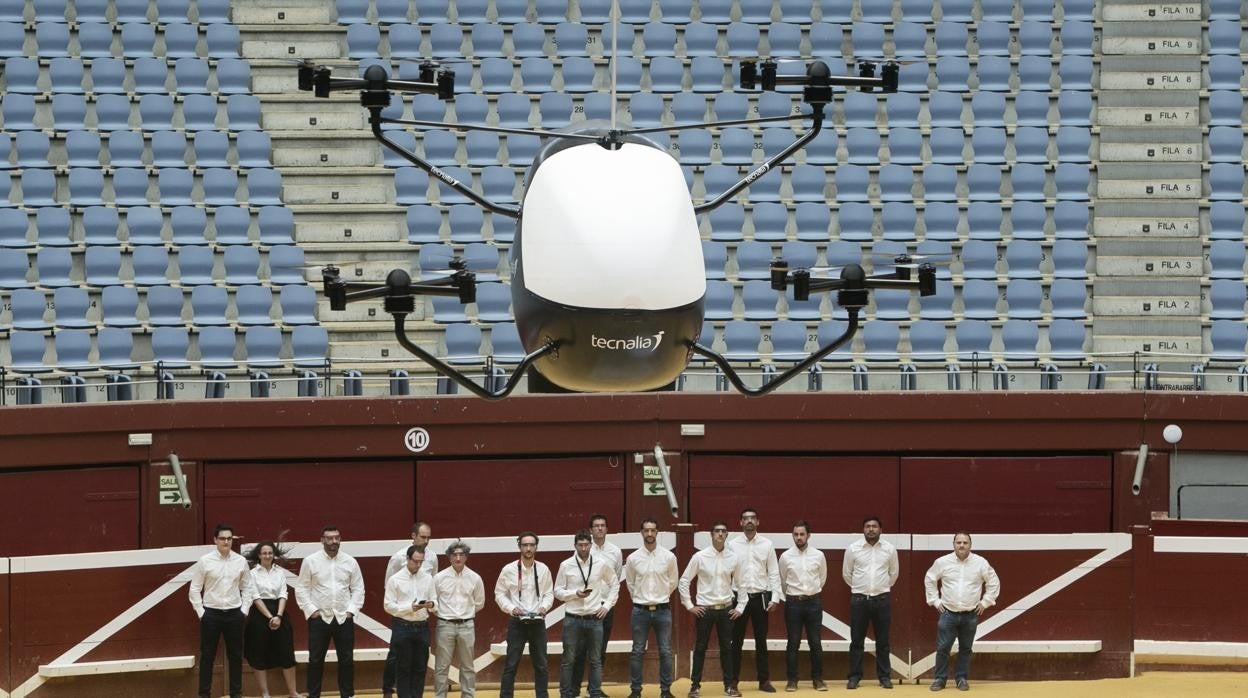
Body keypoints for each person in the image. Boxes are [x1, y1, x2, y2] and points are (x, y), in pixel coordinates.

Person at [924, 533, 1000, 692]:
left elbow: (993, 582)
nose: (962, 545)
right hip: (948, 613)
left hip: (970, 613)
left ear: (970, 545)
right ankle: (940, 679)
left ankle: (961, 678)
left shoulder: (980, 563)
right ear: (953, 544)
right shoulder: (942, 562)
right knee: (943, 647)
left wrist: (985, 602)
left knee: (966, 648)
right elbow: (930, 578)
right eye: (958, 542)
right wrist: (935, 601)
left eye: (965, 542)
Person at [295, 525, 365, 698]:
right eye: (329, 538)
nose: (334, 541)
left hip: (343, 617)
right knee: (315, 660)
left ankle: (347, 695)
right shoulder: (310, 561)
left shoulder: (350, 561)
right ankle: (314, 695)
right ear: (322, 540)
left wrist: (351, 611)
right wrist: (312, 611)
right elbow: (301, 588)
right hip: (319, 618)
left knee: (347, 660)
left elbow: (358, 588)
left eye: (337, 538)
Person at [189, 523, 256, 698]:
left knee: (235, 656)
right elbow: (194, 589)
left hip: (234, 614)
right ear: (215, 540)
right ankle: (204, 694)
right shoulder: (205, 561)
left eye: (229, 538)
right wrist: (202, 614)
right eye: (222, 538)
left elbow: (248, 587)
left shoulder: (240, 561)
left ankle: (236, 694)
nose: (226, 542)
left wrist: (244, 611)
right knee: (207, 656)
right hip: (211, 613)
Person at [678, 522, 743, 698]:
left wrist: (740, 606)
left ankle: (729, 686)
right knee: (700, 648)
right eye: (717, 531)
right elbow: (684, 581)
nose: (720, 534)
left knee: (727, 649)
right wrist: (689, 605)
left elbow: (741, 583)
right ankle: (695, 687)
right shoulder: (700, 557)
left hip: (726, 609)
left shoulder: (733, 557)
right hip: (705, 610)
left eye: (723, 531)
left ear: (727, 535)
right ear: (711, 534)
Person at [556, 529, 619, 698]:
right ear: (575, 546)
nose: (583, 548)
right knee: (568, 659)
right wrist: (574, 594)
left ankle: (595, 693)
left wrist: (606, 606)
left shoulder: (600, 563)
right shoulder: (566, 565)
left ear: (591, 545)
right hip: (572, 618)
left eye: (586, 545)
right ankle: (566, 694)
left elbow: (615, 584)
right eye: (580, 545)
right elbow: (558, 591)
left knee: (596, 660)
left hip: (594, 618)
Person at [728, 507, 782, 694]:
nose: (749, 521)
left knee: (761, 641)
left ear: (758, 522)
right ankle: (733, 681)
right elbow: (727, 573)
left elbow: (773, 572)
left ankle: (764, 681)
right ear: (740, 523)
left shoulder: (767, 544)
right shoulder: (732, 545)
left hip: (760, 597)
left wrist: (775, 597)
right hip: (738, 598)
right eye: (745, 518)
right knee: (736, 641)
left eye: (752, 518)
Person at [842, 516, 899, 690]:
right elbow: (847, 573)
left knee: (883, 641)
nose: (871, 529)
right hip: (859, 600)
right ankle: (854, 677)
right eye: (868, 526)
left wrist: (880, 589)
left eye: (874, 526)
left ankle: (884, 677)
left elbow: (893, 574)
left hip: (882, 600)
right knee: (856, 641)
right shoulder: (853, 549)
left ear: (881, 530)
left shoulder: (889, 550)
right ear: (863, 529)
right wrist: (861, 589)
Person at [624, 517, 679, 698]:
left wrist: (660, 597)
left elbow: (673, 582)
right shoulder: (633, 558)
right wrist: (642, 600)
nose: (649, 534)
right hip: (640, 610)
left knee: (665, 651)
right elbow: (631, 584)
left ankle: (665, 691)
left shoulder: (669, 557)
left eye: (653, 530)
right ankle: (636, 692)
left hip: (663, 610)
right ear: (641, 533)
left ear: (657, 532)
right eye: (646, 530)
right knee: (637, 651)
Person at [496, 531, 555, 698]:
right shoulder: (508, 569)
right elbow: (499, 593)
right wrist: (511, 608)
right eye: (525, 545)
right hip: (517, 622)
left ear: (536, 547)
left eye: (531, 545)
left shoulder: (543, 569)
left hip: (538, 622)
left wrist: (544, 607)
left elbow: (549, 593)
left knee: (542, 665)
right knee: (511, 664)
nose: (528, 548)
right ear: (519, 547)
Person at [571, 513, 624, 693]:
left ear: (607, 529)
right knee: (579, 651)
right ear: (591, 530)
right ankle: (575, 689)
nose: (600, 528)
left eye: (603, 525)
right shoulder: (584, 549)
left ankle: (594, 690)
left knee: (600, 651)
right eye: (596, 526)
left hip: (604, 607)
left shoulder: (615, 551)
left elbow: (615, 579)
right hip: (585, 607)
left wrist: (608, 604)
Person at [385, 522, 437, 698]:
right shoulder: (397, 561)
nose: (426, 540)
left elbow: (433, 591)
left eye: (429, 537)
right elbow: (389, 595)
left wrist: (431, 605)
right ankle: (388, 690)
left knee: (420, 667)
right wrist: (409, 607)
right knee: (401, 665)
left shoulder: (430, 565)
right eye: (423, 536)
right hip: (402, 623)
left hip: (422, 625)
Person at [244, 540, 299, 698]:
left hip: (280, 614)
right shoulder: (252, 574)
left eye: (270, 553)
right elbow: (255, 597)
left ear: (273, 555)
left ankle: (293, 692)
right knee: (259, 653)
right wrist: (270, 617)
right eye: (264, 553)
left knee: (287, 653)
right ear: (259, 555)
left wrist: (279, 616)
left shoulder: (280, 572)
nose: (267, 556)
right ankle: (265, 693)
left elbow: (283, 594)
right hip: (260, 615)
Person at [778, 521, 827, 692]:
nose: (799, 537)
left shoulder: (819, 555)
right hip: (793, 603)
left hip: (813, 602)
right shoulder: (785, 557)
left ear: (808, 535)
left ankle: (818, 680)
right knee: (793, 643)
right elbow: (783, 582)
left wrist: (811, 593)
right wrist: (793, 596)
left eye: (802, 534)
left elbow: (822, 579)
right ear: (792, 535)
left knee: (815, 642)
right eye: (796, 534)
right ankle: (792, 680)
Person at [433, 540, 485, 698]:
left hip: (466, 625)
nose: (458, 558)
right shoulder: (439, 578)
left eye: (461, 554)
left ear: (466, 557)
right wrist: (445, 615)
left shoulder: (475, 578)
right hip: (445, 624)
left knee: (468, 666)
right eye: (454, 554)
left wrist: (465, 615)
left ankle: (468, 696)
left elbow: (479, 603)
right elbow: (433, 601)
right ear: (449, 557)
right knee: (441, 666)